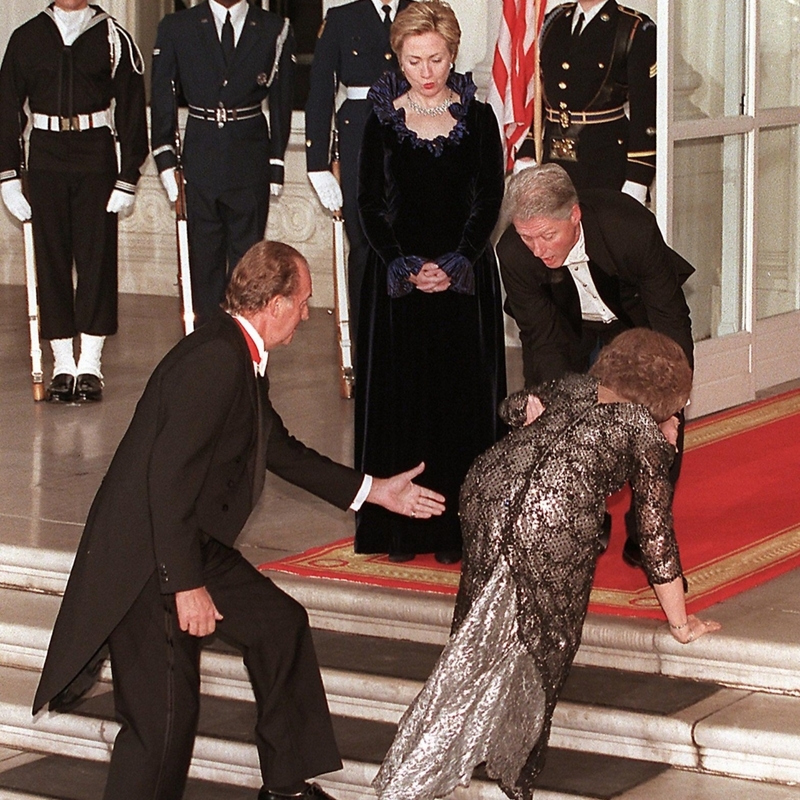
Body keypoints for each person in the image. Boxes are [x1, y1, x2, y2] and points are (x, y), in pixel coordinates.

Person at [32, 240, 446, 800]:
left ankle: (285, 787)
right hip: (147, 564)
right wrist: (187, 586)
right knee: (162, 727)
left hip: (186, 541)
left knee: (280, 627)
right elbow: (166, 483)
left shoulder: (234, 353)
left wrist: (374, 492)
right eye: (302, 302)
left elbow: (278, 447)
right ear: (273, 303)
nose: (306, 312)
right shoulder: (213, 362)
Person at [374, 328, 722, 800]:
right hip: (553, 513)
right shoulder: (641, 428)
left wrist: (524, 411)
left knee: (480, 629)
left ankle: (448, 751)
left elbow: (512, 405)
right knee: (547, 641)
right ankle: (506, 773)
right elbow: (655, 532)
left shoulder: (574, 385)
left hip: (487, 489)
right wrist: (681, 623)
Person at [354, 0, 506, 564]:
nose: (425, 71)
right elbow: (368, 204)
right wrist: (403, 264)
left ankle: (458, 531)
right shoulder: (381, 119)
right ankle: (400, 530)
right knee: (402, 402)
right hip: (397, 288)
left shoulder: (479, 118)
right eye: (414, 59)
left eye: (436, 59)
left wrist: (459, 260)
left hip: (462, 284)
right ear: (398, 56)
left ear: (452, 54)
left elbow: (490, 198)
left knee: (461, 403)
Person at [497, 163, 693, 564]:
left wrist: (669, 405)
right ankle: (585, 518)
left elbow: (670, 320)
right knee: (565, 415)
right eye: (527, 237)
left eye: (547, 236)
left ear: (574, 215)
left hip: (636, 318)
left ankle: (646, 529)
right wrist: (547, 402)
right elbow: (541, 339)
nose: (538, 249)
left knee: (654, 423)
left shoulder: (628, 227)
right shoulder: (514, 254)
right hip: (569, 325)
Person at [0, 0, 148, 402]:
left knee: (96, 256)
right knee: (51, 257)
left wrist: (127, 175)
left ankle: (91, 364)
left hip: (95, 154)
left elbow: (133, 109)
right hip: (45, 154)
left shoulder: (113, 37)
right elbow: (6, 109)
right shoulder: (27, 37)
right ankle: (62, 362)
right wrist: (9, 176)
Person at [151, 0, 295, 326]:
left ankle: (248, 350)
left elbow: (282, 102)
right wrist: (165, 158)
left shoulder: (274, 28)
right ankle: (208, 349)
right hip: (199, 157)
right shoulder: (177, 27)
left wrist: (276, 162)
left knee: (250, 266)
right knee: (203, 265)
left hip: (250, 159)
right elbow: (162, 94)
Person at [305, 0, 414, 341]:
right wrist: (317, 164)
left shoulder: (421, 10)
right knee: (365, 248)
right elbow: (321, 91)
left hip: (410, 137)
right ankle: (366, 343)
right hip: (358, 141)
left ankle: (406, 339)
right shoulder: (341, 18)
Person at [517, 0, 656, 202]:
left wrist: (638, 178)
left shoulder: (634, 27)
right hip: (553, 164)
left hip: (604, 164)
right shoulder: (553, 20)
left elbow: (646, 112)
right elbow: (536, 91)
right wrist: (528, 147)